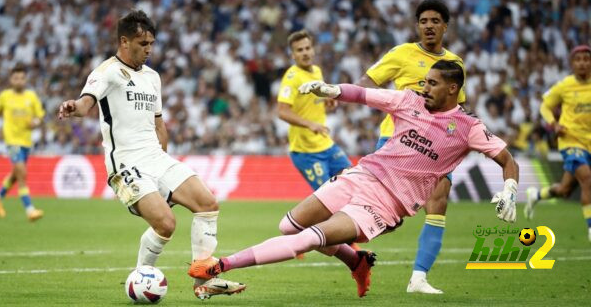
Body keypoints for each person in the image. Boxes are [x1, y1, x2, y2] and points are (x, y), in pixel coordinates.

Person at [188, 61, 519, 298]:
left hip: (386, 202)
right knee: (289, 227)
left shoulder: (467, 127)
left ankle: (220, 266)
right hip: (361, 175)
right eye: (424, 81)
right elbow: (363, 95)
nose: (424, 87)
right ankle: (356, 260)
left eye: (431, 83)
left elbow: (507, 160)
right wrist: (331, 89)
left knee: (309, 239)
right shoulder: (409, 101)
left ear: (452, 88)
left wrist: (510, 189)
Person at [58, 10, 244, 300]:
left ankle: (203, 282)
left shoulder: (153, 78)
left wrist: (164, 169)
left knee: (208, 204)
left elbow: (159, 123)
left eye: (151, 44)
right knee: (166, 224)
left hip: (156, 158)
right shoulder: (106, 72)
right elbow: (85, 103)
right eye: (143, 44)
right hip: (125, 165)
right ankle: (140, 278)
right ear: (124, 41)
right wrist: (74, 107)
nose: (149, 50)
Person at [357, 0, 465, 294]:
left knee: (438, 202)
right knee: (388, 218)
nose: (428, 26)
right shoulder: (402, 53)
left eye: (434, 21)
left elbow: (458, 108)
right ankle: (337, 243)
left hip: (436, 147)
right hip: (397, 141)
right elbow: (368, 80)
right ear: (417, 26)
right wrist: (392, 105)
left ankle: (418, 278)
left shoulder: (455, 64)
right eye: (423, 21)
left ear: (445, 25)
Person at [525, 45, 591, 244]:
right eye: (578, 59)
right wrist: (553, 124)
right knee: (588, 182)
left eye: (586, 59)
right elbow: (545, 106)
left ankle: (536, 194)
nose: (582, 62)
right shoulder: (564, 85)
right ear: (572, 64)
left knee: (565, 190)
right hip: (570, 141)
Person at [277, 30, 352, 190]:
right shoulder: (292, 77)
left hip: (325, 142)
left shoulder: (316, 71)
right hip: (306, 151)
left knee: (351, 180)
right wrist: (310, 124)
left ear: (313, 49)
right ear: (292, 55)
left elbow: (311, 101)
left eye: (307, 48)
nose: (305, 53)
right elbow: (282, 111)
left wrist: (327, 102)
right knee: (327, 197)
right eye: (299, 50)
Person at [0, 65, 45, 222]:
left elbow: (40, 117)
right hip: (12, 141)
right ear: (10, 80)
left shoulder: (31, 97)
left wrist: (35, 123)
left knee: (15, 174)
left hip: (26, 142)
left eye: (21, 78)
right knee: (22, 173)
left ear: (25, 79)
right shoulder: (5, 96)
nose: (19, 81)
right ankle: (30, 210)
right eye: (15, 78)